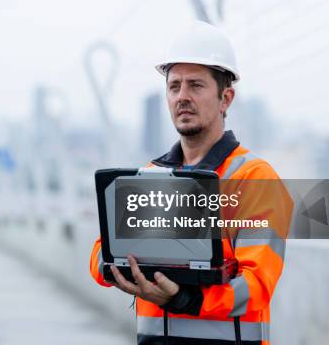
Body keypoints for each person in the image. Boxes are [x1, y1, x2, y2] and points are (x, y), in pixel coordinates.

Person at [89, 20, 292, 345]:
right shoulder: (148, 177)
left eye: (196, 85)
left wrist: (184, 298)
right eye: (174, 86)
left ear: (226, 98)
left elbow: (256, 286)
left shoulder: (254, 180)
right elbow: (101, 253)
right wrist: (115, 266)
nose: (182, 97)